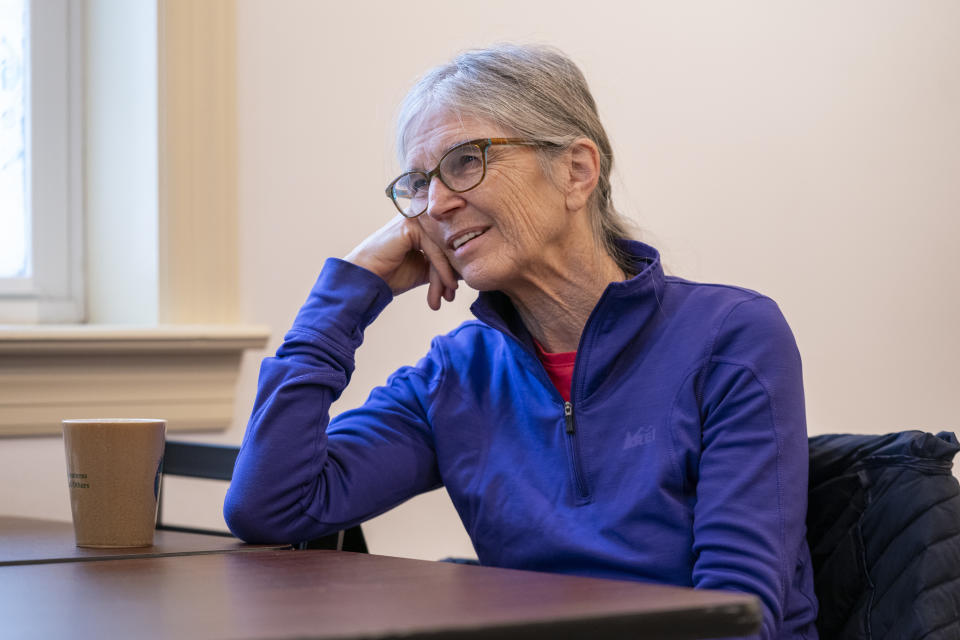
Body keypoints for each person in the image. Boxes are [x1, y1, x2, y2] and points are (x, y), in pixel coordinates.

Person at [224, 44, 818, 639]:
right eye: (420, 182)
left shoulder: (732, 334)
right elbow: (272, 506)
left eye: (464, 161)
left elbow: (738, 620)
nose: (436, 204)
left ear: (576, 172)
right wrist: (348, 292)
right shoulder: (458, 374)